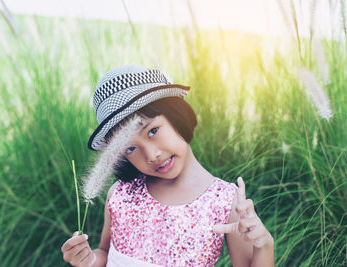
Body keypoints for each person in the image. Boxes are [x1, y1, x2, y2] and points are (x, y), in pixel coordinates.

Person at [61, 65, 274, 266]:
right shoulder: (120, 195)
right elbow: (106, 255)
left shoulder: (226, 202)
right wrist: (88, 259)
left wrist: (264, 245)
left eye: (153, 131)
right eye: (130, 148)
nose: (151, 155)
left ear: (176, 114)